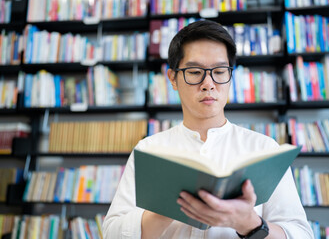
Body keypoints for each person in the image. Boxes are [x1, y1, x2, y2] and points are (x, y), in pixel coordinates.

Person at [103, 20, 314, 239]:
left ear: (230, 75)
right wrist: (165, 208)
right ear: (173, 78)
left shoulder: (265, 149)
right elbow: (111, 233)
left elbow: (300, 234)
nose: (208, 83)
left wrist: (248, 222)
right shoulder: (148, 150)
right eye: (195, 72)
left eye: (220, 71)